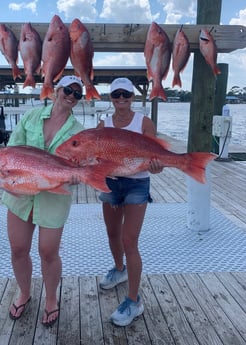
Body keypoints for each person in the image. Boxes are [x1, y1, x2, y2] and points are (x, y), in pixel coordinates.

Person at [2, 75, 85, 327]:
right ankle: (24, 292)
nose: (71, 95)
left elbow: (78, 163)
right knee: (18, 248)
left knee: (48, 252)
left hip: (53, 196)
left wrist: (76, 175)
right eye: (67, 90)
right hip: (20, 193)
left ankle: (51, 299)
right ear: (56, 90)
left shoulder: (79, 131)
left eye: (77, 93)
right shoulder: (30, 117)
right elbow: (13, 149)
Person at [97, 77, 163, 327]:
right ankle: (119, 268)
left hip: (137, 184)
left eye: (126, 94)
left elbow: (154, 157)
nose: (121, 98)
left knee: (129, 240)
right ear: (111, 98)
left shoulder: (144, 122)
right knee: (112, 232)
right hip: (111, 182)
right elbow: (99, 156)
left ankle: (134, 300)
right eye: (116, 94)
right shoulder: (104, 124)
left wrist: (157, 166)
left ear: (133, 97)